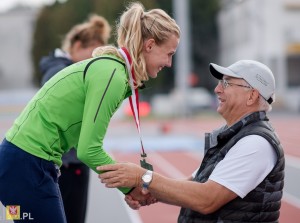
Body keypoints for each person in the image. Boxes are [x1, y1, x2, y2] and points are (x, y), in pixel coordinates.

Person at [0, 2, 180, 223]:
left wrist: (130, 187)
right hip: (27, 166)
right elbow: (88, 150)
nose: (170, 63)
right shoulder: (112, 76)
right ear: (150, 45)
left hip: (25, 164)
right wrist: (131, 187)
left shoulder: (113, 71)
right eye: (169, 54)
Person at [98, 60, 285, 222]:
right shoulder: (232, 135)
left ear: (252, 95)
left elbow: (206, 199)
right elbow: (193, 185)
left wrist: (143, 177)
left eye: (227, 83)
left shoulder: (256, 143)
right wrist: (147, 190)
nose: (217, 89)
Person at [39, 14, 111, 223]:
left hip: (69, 162)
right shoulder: (60, 72)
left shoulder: (61, 68)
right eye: (92, 54)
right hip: (65, 165)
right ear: (77, 45)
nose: (95, 61)